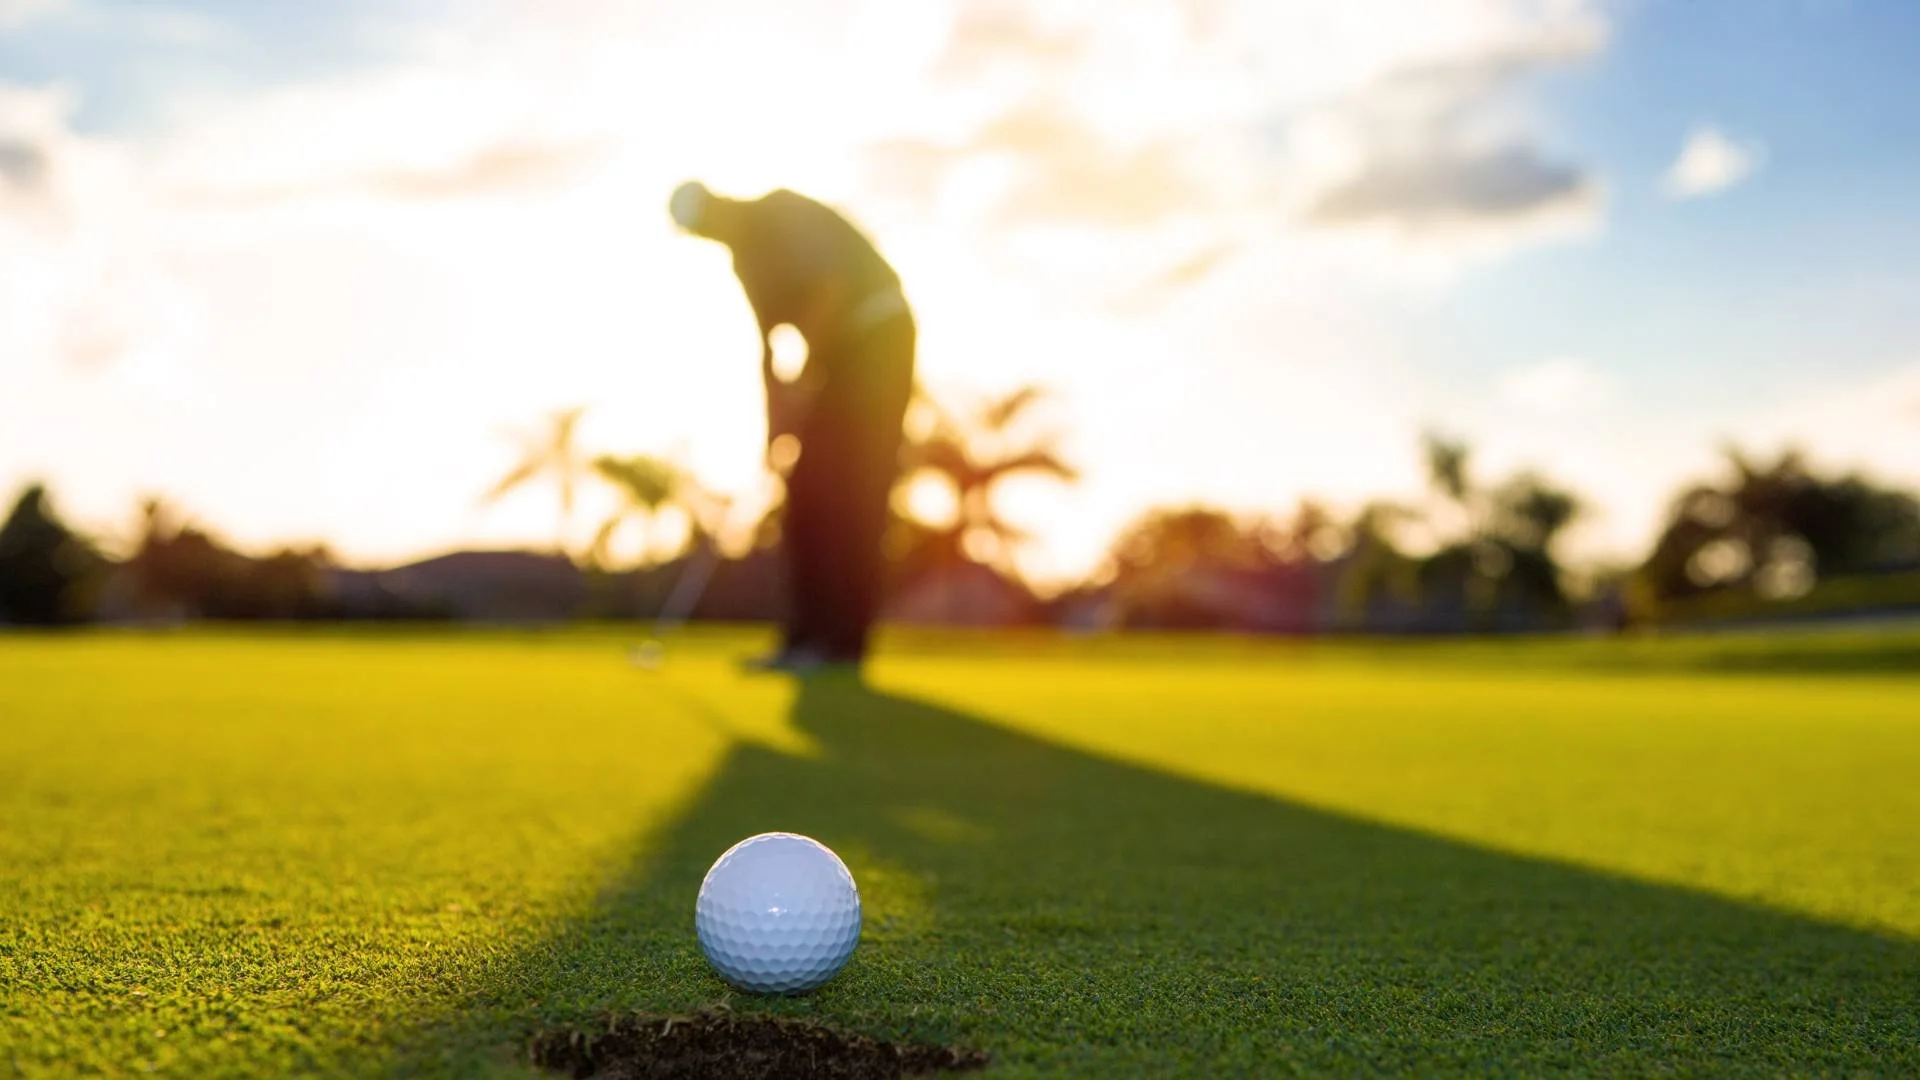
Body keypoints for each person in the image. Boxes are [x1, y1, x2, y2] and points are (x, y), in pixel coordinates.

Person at [668, 181, 915, 672]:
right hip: (835, 360)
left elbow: (828, 288)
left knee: (851, 493)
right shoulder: (744, 262)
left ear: (719, 204)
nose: (711, 233)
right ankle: (804, 639)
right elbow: (768, 349)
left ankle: (840, 643)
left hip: (879, 338)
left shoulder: (781, 212)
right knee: (805, 492)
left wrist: (803, 381)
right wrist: (776, 423)